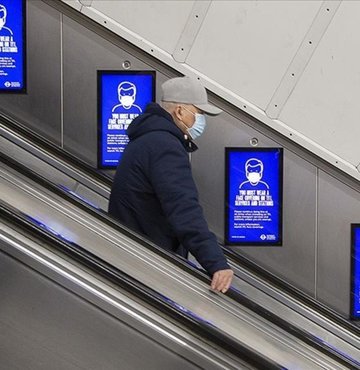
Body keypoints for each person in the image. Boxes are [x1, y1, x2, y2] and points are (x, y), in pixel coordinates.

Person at [108, 76, 233, 293]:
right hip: (147, 262)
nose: (201, 120)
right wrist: (216, 263)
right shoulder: (165, 147)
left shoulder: (147, 139)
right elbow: (183, 207)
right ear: (180, 111)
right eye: (199, 113)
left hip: (134, 252)